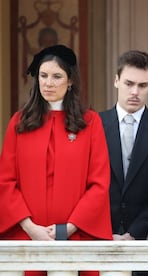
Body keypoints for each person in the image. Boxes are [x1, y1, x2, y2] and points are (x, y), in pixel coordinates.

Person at [0, 45, 112, 276]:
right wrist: (31, 229)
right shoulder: (19, 122)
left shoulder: (90, 122)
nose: (48, 83)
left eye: (56, 76)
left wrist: (67, 229)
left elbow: (99, 184)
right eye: (43, 76)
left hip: (77, 237)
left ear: (70, 81)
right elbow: (6, 182)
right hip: (27, 238)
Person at [99, 51, 148, 275]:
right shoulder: (93, 125)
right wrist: (104, 231)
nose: (135, 92)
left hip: (147, 241)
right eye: (129, 83)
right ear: (116, 81)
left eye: (142, 85)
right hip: (100, 238)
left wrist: (134, 232)